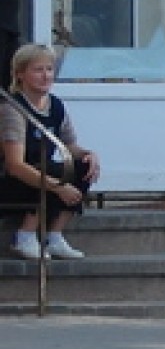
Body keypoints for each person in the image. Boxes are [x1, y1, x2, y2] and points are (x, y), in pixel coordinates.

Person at [3, 44, 99, 261]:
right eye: (38, 70)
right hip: (14, 180)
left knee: (82, 165)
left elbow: (69, 145)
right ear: (20, 74)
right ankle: (25, 236)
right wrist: (59, 186)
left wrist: (88, 154)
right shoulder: (13, 109)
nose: (45, 76)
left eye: (49, 69)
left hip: (44, 173)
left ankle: (54, 235)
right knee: (50, 170)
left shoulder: (55, 105)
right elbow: (15, 165)